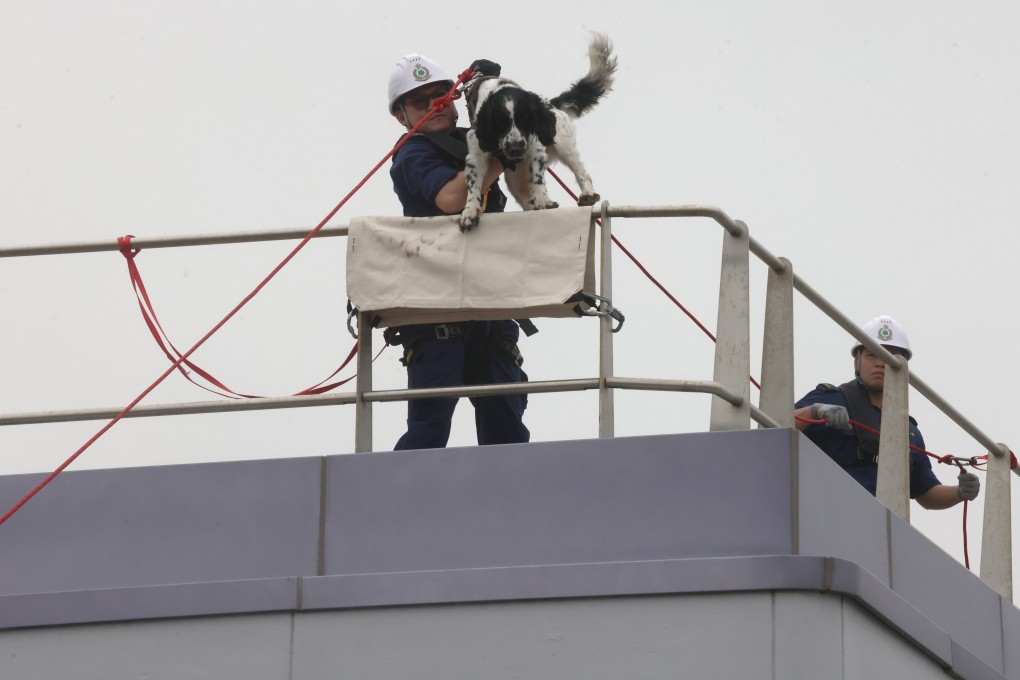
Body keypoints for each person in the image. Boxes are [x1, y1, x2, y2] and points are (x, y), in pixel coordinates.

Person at [385, 52, 530, 450]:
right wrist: (498, 156)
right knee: (429, 429)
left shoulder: (472, 139)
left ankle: (514, 504)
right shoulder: (412, 154)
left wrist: (496, 96)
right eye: (421, 101)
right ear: (402, 116)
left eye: (443, 95)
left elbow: (522, 133)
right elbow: (451, 198)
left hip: (488, 305)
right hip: (437, 308)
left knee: (506, 428)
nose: (436, 105)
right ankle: (396, 505)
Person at [793, 315, 980, 509]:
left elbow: (925, 492)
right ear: (856, 361)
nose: (881, 363)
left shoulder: (908, 431)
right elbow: (777, 424)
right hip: (825, 512)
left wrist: (959, 493)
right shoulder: (831, 399)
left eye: (890, 358)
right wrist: (814, 411)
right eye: (872, 354)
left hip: (882, 527)